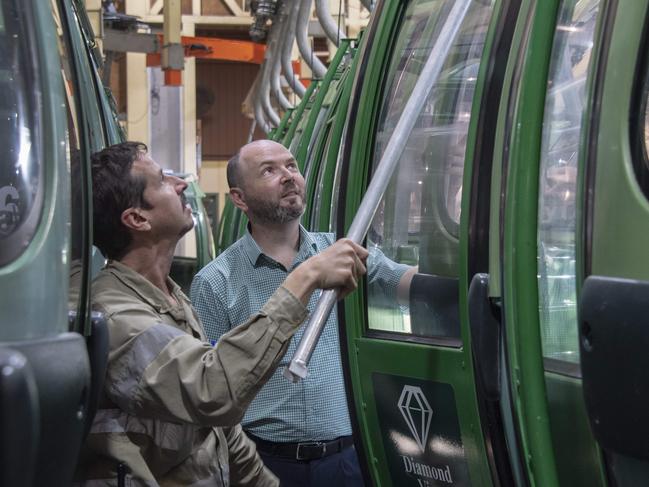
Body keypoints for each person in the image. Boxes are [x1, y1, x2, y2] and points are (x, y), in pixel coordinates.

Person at [74, 141, 368, 486]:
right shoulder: (116, 316)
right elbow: (212, 391)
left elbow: (218, 430)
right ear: (137, 218)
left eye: (291, 166)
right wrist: (304, 278)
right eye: (163, 180)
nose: (181, 183)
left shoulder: (170, 299)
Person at [191, 140, 415, 487]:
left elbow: (403, 282)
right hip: (264, 462)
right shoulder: (215, 282)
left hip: (345, 461)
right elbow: (212, 392)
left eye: (292, 166)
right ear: (239, 198)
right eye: (270, 170)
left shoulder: (339, 251)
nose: (288, 176)